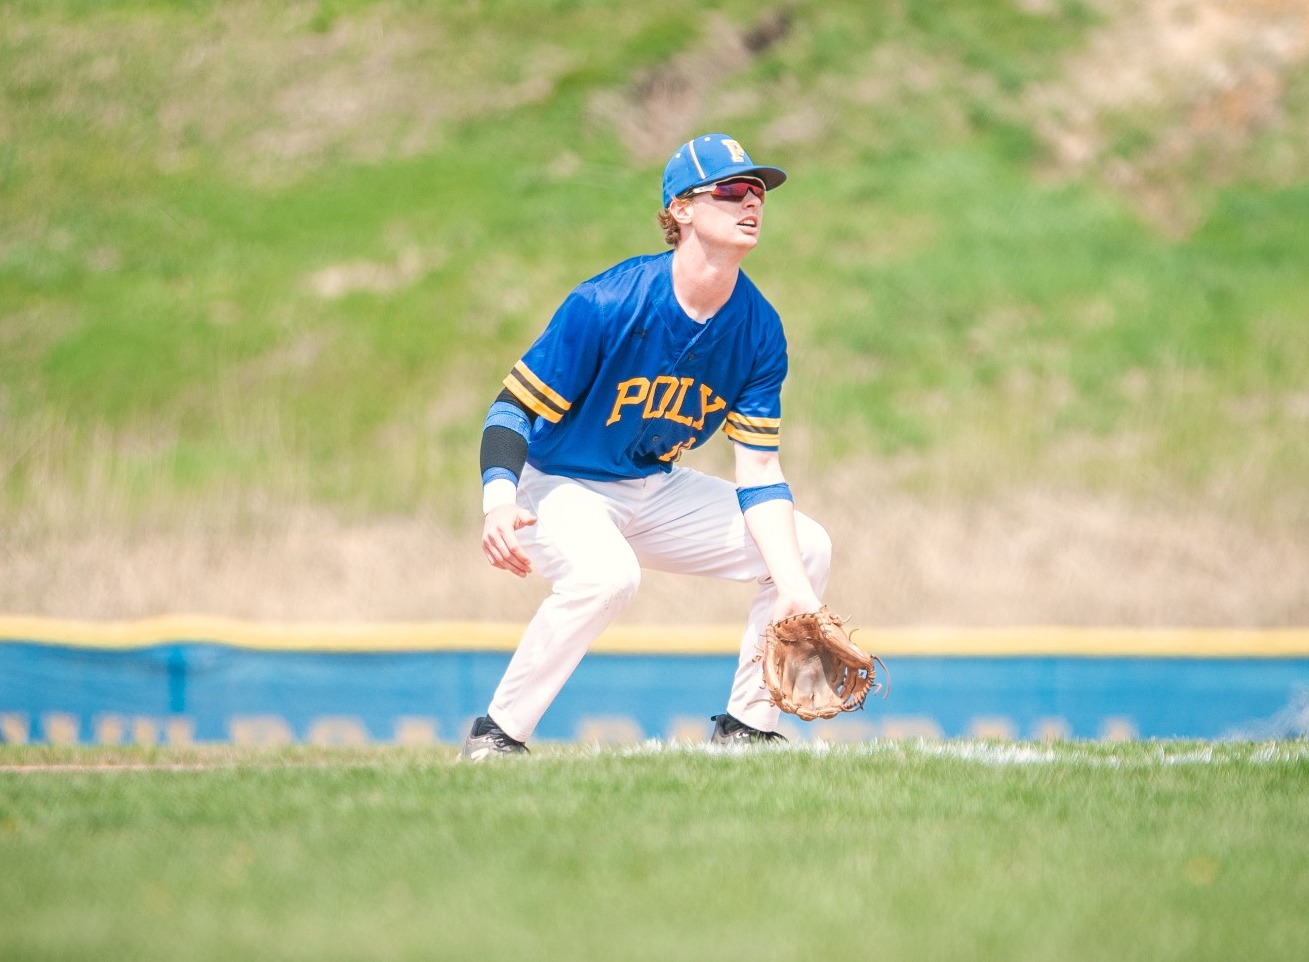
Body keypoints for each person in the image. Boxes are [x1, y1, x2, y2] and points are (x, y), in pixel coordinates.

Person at [463, 133, 832, 760]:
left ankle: (747, 731)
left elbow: (759, 470)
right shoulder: (606, 303)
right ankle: (497, 736)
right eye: (733, 190)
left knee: (807, 548)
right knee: (608, 576)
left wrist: (795, 589)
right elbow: (512, 408)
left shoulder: (759, 328)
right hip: (558, 486)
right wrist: (498, 500)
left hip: (652, 487)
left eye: (759, 192)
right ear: (681, 209)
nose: (752, 203)